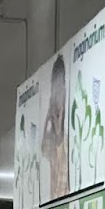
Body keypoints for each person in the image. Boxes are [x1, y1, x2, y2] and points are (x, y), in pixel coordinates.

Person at [40, 54, 69, 201]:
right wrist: (47, 120)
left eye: (59, 87)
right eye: (54, 88)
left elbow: (61, 189)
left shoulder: (68, 140)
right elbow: (43, 150)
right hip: (54, 204)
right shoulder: (53, 140)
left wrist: (58, 132)